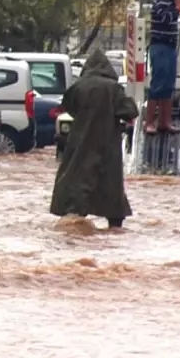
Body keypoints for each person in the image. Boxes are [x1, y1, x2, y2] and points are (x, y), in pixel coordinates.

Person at [50, 49, 138, 229]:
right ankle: (114, 221)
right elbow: (130, 111)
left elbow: (68, 106)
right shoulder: (114, 88)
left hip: (80, 139)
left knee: (77, 179)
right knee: (109, 181)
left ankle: (75, 217)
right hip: (107, 142)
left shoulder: (78, 86)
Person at [145, 0, 180, 135]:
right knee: (157, 84)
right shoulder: (160, 2)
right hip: (160, 47)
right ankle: (150, 122)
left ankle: (165, 122)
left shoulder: (172, 4)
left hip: (171, 48)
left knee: (168, 86)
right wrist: (177, 8)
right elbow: (167, 18)